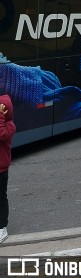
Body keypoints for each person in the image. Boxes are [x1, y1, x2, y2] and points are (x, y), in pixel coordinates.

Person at [0, 91, 16, 244]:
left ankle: (2, 228)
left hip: (1, 169)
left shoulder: (9, 126)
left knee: (0, 198)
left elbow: (0, 134)